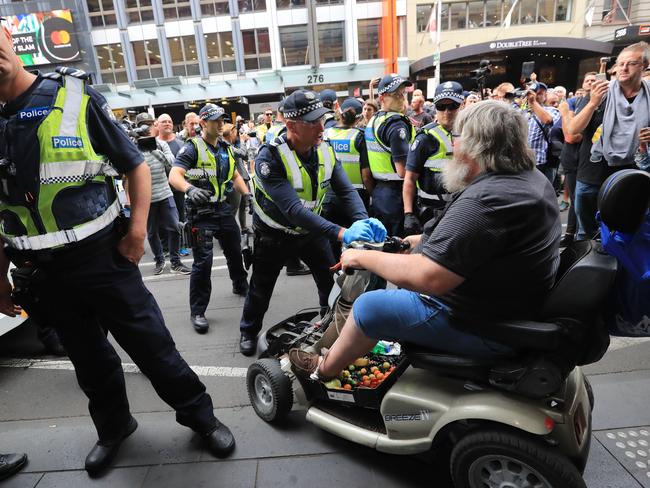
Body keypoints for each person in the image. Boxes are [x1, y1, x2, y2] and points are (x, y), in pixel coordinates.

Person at [0, 31, 234, 477]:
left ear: (9, 35)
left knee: (152, 347)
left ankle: (200, 416)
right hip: (42, 272)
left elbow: (135, 165)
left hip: (101, 258)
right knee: (89, 360)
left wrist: (137, 232)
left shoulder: (72, 96)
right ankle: (114, 428)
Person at [288, 100, 560, 382]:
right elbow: (460, 240)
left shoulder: (486, 201)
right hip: (505, 305)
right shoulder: (527, 180)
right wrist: (404, 244)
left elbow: (429, 277)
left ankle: (322, 371)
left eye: (459, 138)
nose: (455, 147)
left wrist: (360, 257)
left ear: (476, 146)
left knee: (368, 307)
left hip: (482, 324)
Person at [238, 89, 384, 356]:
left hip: (310, 232)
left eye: (322, 118)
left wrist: (364, 222)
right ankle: (248, 331)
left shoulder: (324, 147)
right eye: (313, 121)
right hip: (274, 234)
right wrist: (343, 233)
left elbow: (346, 190)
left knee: (329, 283)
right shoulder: (268, 158)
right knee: (261, 289)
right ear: (291, 125)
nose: (321, 126)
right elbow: (293, 210)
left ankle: (327, 326)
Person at [169, 104, 251, 333]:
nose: (220, 123)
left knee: (235, 249)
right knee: (202, 263)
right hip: (200, 213)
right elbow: (174, 175)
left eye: (222, 119)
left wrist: (248, 195)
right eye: (215, 120)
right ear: (203, 123)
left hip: (222, 208)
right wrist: (189, 189)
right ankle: (198, 311)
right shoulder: (191, 148)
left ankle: (240, 284)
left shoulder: (225, 148)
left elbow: (235, 174)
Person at [568, 42, 649, 239]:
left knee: (626, 232)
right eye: (620, 63)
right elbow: (573, 130)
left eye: (631, 63)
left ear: (645, 66)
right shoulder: (600, 91)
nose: (623, 68)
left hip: (631, 176)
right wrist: (593, 103)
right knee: (586, 234)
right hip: (592, 175)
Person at [403, 81, 464, 236]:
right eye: (441, 107)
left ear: (462, 105)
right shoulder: (425, 138)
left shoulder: (471, 133)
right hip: (431, 213)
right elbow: (409, 178)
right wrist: (408, 214)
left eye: (453, 106)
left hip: (462, 210)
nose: (447, 111)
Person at [136, 118, 190, 275]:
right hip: (146, 198)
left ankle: (175, 262)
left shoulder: (160, 144)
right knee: (152, 233)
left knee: (174, 228)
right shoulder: (134, 148)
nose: (145, 137)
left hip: (165, 194)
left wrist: (152, 149)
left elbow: (170, 162)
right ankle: (159, 260)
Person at [364, 74, 415, 236]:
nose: (402, 99)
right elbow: (403, 171)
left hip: (380, 193)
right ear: (383, 97)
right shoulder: (396, 124)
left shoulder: (374, 120)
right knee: (401, 246)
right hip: (398, 193)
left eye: (403, 94)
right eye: (397, 95)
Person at [322, 97, 373, 258]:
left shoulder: (326, 134)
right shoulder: (359, 136)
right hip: (355, 197)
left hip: (328, 195)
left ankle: (333, 271)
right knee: (356, 239)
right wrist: (372, 194)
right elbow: (366, 175)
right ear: (358, 118)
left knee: (332, 237)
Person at [157, 113, 190, 256]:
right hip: (158, 188)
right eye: (163, 121)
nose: (167, 124)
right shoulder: (152, 143)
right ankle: (164, 248)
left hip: (177, 188)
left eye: (169, 121)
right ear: (157, 125)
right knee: (160, 218)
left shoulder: (180, 144)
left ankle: (181, 245)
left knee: (180, 216)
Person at [524, 81, 562, 183]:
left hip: (540, 161)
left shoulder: (552, 110)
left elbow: (548, 120)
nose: (536, 96)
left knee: (542, 192)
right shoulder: (523, 111)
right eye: (535, 93)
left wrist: (533, 102)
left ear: (545, 96)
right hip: (522, 160)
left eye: (541, 93)